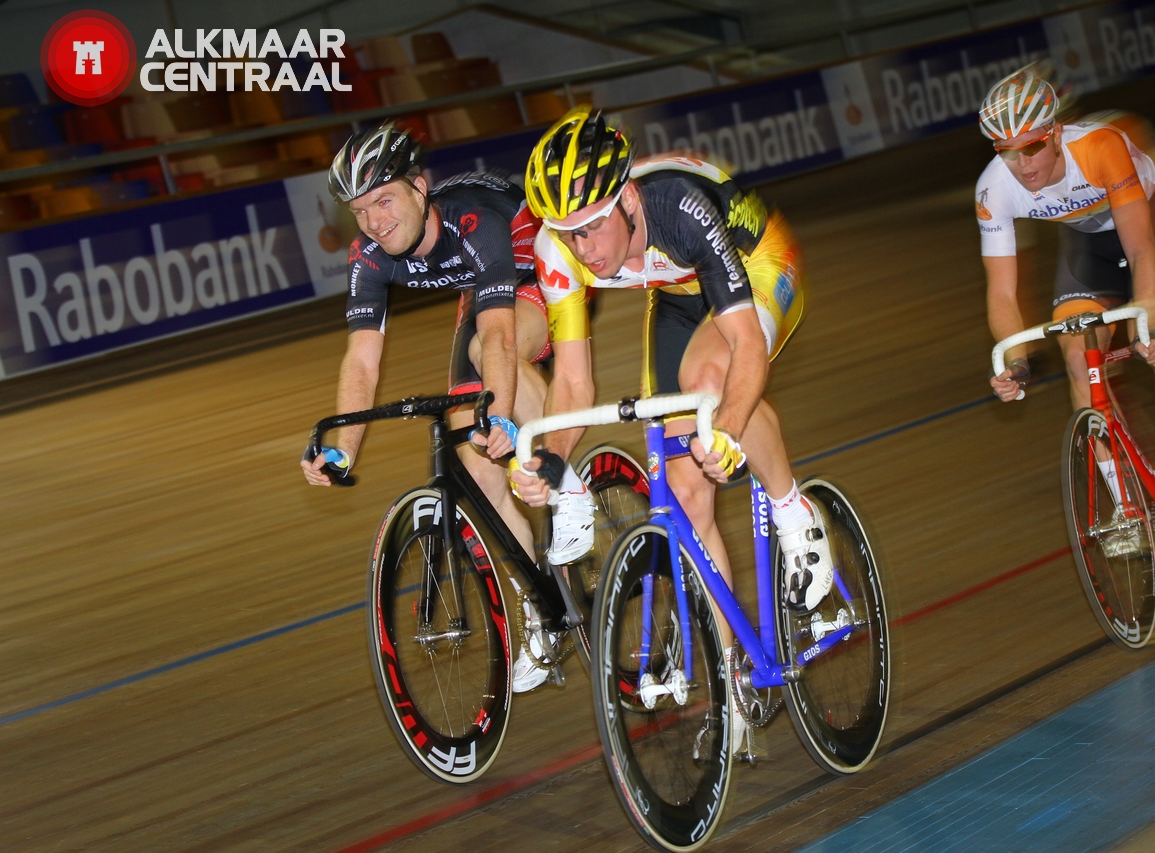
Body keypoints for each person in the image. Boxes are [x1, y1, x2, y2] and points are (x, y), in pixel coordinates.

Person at [508, 107, 829, 749]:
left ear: (628, 198)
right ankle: (734, 678)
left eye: (594, 226)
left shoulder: (679, 207)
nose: (584, 248)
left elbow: (744, 346)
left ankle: (795, 512)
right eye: (567, 233)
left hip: (757, 264)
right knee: (685, 494)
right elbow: (572, 385)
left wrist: (728, 429)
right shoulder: (561, 249)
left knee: (713, 387)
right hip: (679, 290)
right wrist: (548, 462)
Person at [299, 122, 592, 692]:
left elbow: (503, 338)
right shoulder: (371, 256)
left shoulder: (473, 221)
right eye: (359, 211)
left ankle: (569, 480)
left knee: (489, 361)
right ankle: (540, 606)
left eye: (383, 200)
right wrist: (341, 454)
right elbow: (361, 361)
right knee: (475, 459)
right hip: (484, 294)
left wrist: (504, 417)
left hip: (546, 273)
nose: (374, 222)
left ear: (419, 187)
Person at [979, 67, 1155, 532]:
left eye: (1033, 147)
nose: (1023, 165)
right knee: (1081, 360)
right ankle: (1125, 507)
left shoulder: (1101, 147)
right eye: (1007, 152)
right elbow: (1001, 290)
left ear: (1056, 133)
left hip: (1147, 227)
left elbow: (1142, 249)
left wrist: (1148, 323)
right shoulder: (992, 189)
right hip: (1087, 249)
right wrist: (1015, 361)